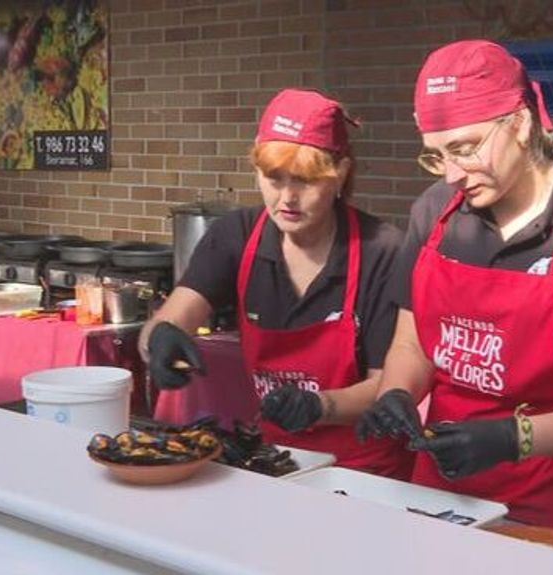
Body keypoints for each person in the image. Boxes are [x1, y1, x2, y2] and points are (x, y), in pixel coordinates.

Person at [355, 39, 553, 546]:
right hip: (447, 485)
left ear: (519, 124)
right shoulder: (433, 213)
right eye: (436, 156)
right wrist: (396, 393)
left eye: (465, 148)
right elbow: (412, 344)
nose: (453, 174)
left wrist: (512, 437)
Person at [141, 88, 413, 479]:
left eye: (305, 180)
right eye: (273, 178)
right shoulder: (235, 235)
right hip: (278, 462)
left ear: (342, 173)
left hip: (366, 471)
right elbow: (171, 317)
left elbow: (388, 386)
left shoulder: (382, 251)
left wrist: (320, 406)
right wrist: (160, 338)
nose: (287, 197)